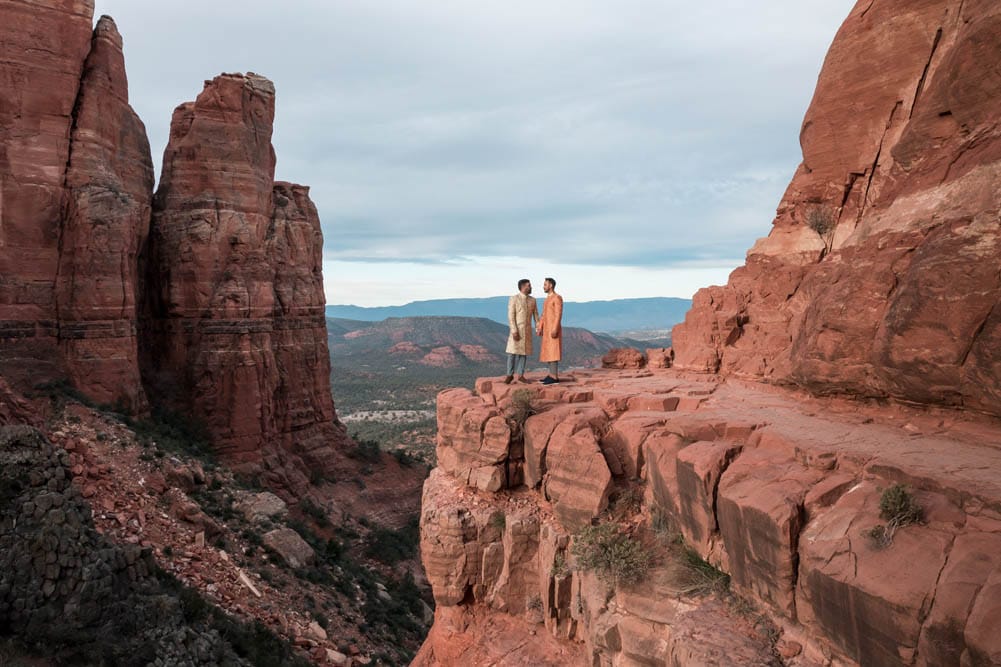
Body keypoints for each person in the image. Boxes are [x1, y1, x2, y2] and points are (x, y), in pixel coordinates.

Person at [504, 278, 538, 384]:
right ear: (523, 287)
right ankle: (509, 375)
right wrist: (514, 330)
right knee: (512, 352)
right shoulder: (514, 299)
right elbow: (511, 316)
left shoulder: (532, 300)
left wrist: (538, 327)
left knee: (523, 353)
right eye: (529, 285)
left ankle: (520, 375)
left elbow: (536, 316)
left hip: (527, 330)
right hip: (517, 329)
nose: (531, 287)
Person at [537, 277, 563, 384]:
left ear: (551, 285)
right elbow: (543, 315)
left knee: (553, 351)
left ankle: (554, 377)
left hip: (553, 329)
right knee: (548, 351)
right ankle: (551, 374)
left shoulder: (557, 298)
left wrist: (555, 328)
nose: (543, 287)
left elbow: (558, 314)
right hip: (546, 329)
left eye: (545, 284)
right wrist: (540, 327)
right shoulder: (547, 299)